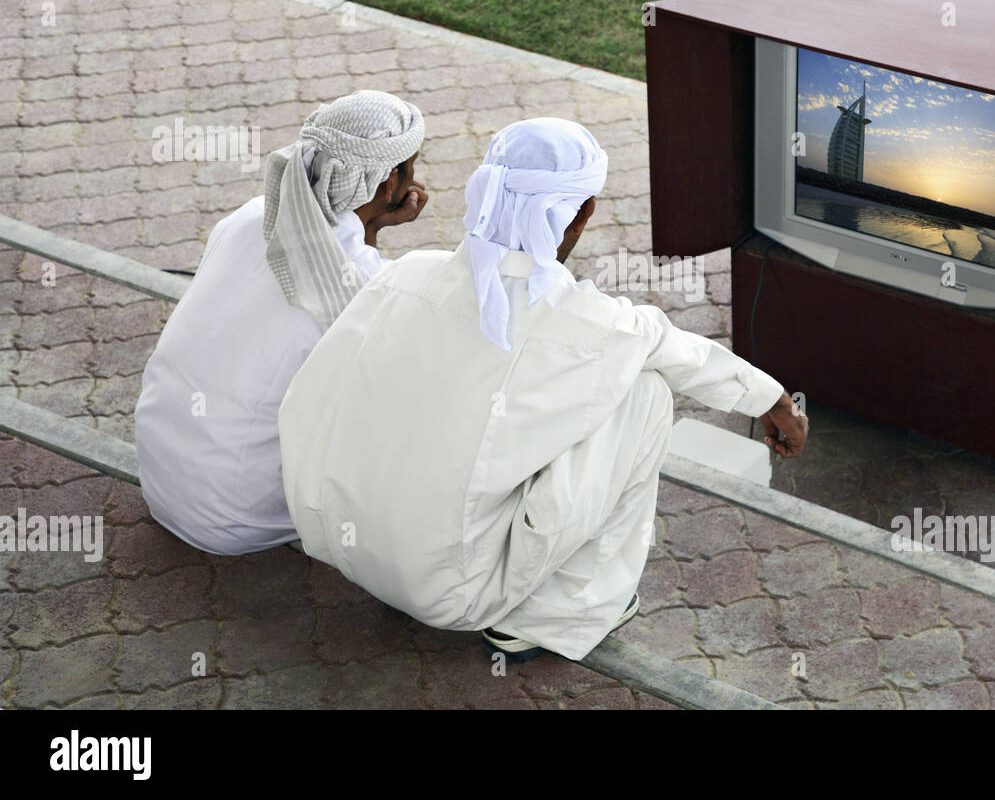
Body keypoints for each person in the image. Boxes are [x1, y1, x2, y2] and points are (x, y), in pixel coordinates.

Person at [278, 117, 807, 662]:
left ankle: (397, 549)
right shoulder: (598, 326)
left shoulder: (405, 275)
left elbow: (307, 403)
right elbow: (682, 355)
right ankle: (556, 613)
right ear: (584, 212)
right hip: (454, 595)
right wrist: (773, 400)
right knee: (646, 393)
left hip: (342, 549)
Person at [134, 90, 428, 555]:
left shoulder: (252, 214)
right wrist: (374, 228)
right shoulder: (369, 286)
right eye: (410, 167)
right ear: (390, 184)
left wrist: (370, 224)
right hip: (235, 515)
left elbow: (337, 251)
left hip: (161, 474)